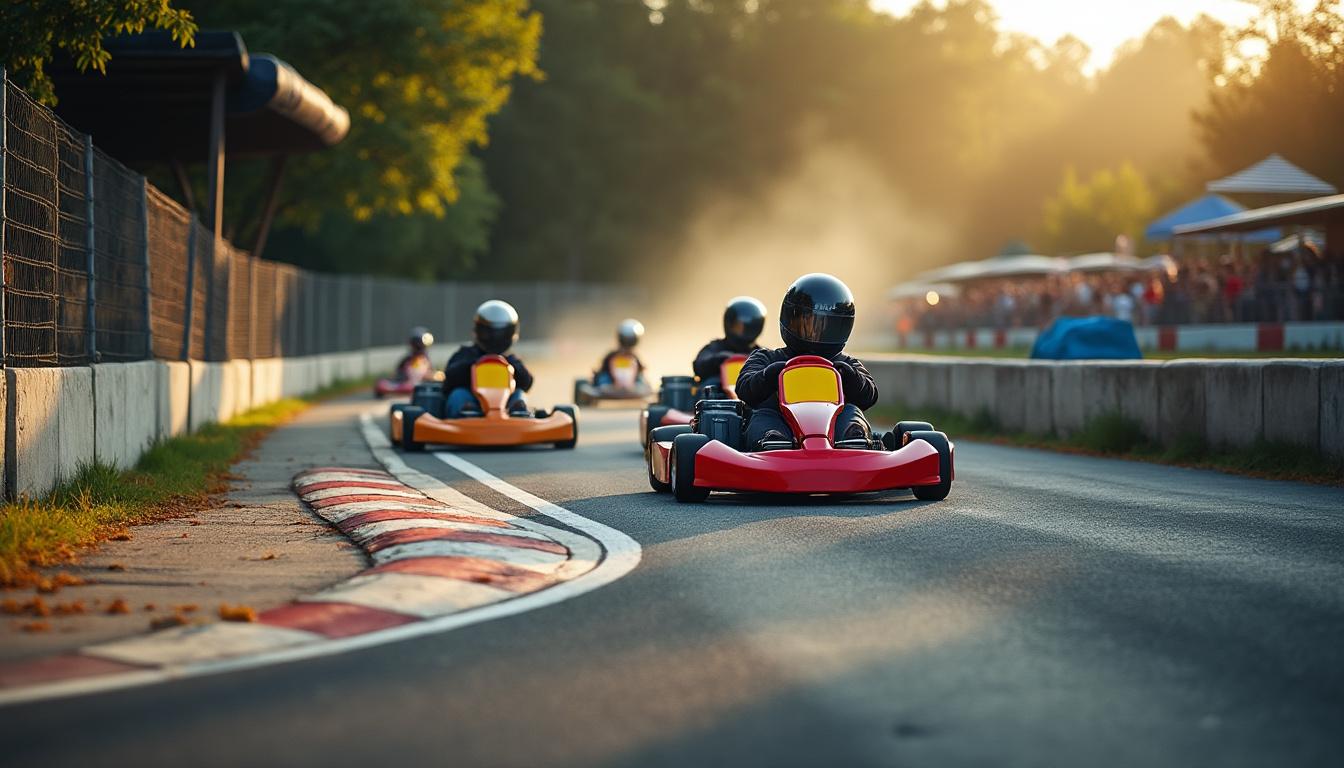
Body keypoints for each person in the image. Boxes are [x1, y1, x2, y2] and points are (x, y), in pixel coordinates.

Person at [736, 273, 878, 450]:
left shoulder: (846, 364)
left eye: (824, 326)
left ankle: (854, 438)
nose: (815, 333)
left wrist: (850, 376)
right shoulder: (766, 358)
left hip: (835, 435)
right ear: (789, 319)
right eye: (807, 323)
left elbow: (869, 396)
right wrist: (769, 375)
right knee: (764, 416)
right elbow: (743, 388)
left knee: (852, 412)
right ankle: (772, 441)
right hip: (780, 430)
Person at [443, 300, 533, 417]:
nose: (495, 337)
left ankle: (518, 413)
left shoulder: (510, 359)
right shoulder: (466, 353)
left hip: (504, 407)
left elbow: (527, 382)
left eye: (500, 333)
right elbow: (449, 379)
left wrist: (507, 364)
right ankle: (468, 414)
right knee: (458, 395)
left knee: (519, 394)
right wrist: (474, 364)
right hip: (472, 400)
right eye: (490, 333)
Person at [692, 296, 767, 389]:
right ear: (729, 323)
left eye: (746, 327)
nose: (742, 330)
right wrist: (721, 359)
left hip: (752, 399)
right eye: (738, 325)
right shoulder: (715, 348)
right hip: (719, 400)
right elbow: (699, 366)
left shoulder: (761, 354)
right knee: (711, 383)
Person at [593, 318, 647, 388]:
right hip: (609, 383)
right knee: (603, 378)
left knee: (641, 380)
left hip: (629, 386)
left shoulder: (634, 358)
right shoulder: (611, 356)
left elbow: (641, 371)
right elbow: (601, 370)